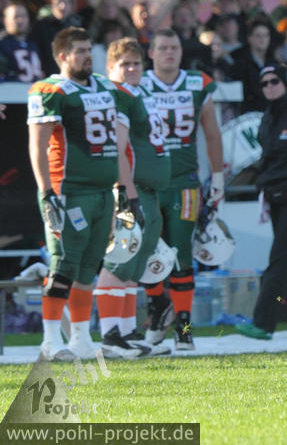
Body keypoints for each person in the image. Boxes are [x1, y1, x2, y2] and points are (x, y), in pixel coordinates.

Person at [27, 27, 119, 360]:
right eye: (80, 51)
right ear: (63, 56)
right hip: (68, 191)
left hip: (102, 191)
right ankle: (51, 340)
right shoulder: (50, 90)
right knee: (63, 265)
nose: (88, 56)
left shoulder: (104, 86)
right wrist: (46, 191)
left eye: (89, 49)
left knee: (88, 267)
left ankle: (80, 338)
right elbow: (37, 144)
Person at [140, 29, 225, 351]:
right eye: (162, 47)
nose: (169, 53)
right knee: (148, 253)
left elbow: (212, 133)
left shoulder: (197, 82)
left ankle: (184, 328)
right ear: (151, 52)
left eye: (173, 47)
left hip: (185, 182)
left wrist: (217, 177)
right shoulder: (138, 84)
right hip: (148, 183)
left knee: (181, 254)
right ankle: (157, 311)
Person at [95, 37, 171, 358]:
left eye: (136, 63)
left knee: (133, 265)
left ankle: (127, 333)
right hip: (131, 189)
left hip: (148, 190)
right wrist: (127, 193)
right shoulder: (117, 95)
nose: (131, 69)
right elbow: (118, 147)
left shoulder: (141, 93)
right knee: (118, 261)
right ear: (110, 67)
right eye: (124, 64)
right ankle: (110, 336)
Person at [236, 64, 287, 340]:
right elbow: (268, 157)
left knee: (279, 259)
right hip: (275, 194)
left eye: (274, 81)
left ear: (285, 83)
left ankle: (263, 323)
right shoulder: (268, 116)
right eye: (264, 83)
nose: (269, 87)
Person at [30, 0, 83, 76]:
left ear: (71, 6)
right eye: (58, 2)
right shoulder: (41, 26)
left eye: (66, 2)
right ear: (51, 5)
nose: (62, 6)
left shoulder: (76, 27)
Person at [232, 17, 280, 114]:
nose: (263, 39)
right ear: (249, 38)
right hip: (247, 113)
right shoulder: (239, 62)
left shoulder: (274, 63)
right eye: (258, 36)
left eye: (266, 35)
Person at [0, 3, 43, 82]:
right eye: (15, 17)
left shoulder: (32, 44)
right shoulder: (2, 44)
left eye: (23, 16)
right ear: (6, 21)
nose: (20, 20)